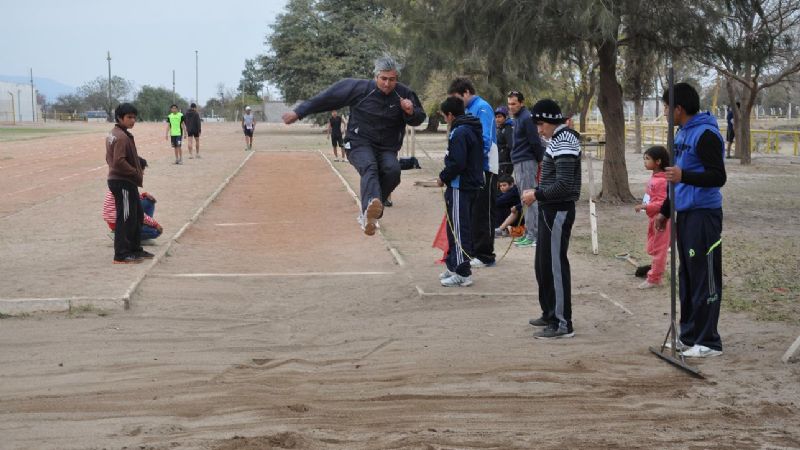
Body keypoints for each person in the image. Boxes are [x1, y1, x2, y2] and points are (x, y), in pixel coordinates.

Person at [281, 55, 426, 236]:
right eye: (383, 79)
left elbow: (419, 118)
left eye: (392, 80)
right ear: (376, 76)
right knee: (369, 167)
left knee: (393, 171)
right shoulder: (359, 88)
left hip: (387, 147)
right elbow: (327, 98)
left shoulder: (404, 94)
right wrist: (299, 112)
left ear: (397, 78)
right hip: (358, 142)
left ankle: (373, 208)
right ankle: (368, 212)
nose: (387, 84)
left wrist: (411, 111)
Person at [655, 82, 727, 358]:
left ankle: (709, 341)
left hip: (703, 215)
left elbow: (717, 177)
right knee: (686, 276)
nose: (664, 112)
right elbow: (676, 179)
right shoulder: (681, 133)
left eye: (665, 107)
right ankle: (688, 334)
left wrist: (685, 177)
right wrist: (665, 210)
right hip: (684, 213)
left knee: (703, 277)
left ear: (679, 108)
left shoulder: (706, 134)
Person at [522, 99, 581, 340]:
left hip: (558, 210)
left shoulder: (566, 140)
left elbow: (565, 184)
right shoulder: (556, 140)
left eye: (541, 124)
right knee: (543, 264)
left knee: (555, 266)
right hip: (548, 209)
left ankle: (562, 323)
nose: (539, 130)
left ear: (550, 121)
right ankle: (549, 312)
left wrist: (537, 193)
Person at [448, 78, 497, 268]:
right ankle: (473, 251)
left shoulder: (483, 108)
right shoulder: (469, 109)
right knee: (472, 211)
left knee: (483, 211)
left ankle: (486, 255)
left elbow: (484, 140)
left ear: (467, 92)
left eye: (458, 98)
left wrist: (471, 162)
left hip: (484, 167)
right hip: (472, 169)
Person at [436, 96, 484, 287]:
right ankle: (453, 265)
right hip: (467, 185)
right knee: (453, 226)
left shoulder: (460, 132)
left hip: (460, 186)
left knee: (459, 229)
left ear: (450, 115)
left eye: (444, 116)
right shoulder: (470, 128)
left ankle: (463, 272)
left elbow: (458, 162)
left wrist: (443, 176)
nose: (445, 119)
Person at [106, 103, 154, 264]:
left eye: (134, 117)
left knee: (136, 216)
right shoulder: (120, 137)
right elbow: (118, 161)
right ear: (120, 118)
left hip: (126, 181)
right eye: (129, 117)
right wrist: (135, 172)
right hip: (122, 182)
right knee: (125, 218)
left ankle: (134, 249)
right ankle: (121, 254)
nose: (133, 120)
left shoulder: (118, 133)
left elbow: (110, 158)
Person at [507, 90, 545, 248]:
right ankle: (529, 232)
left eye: (514, 103)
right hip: (519, 161)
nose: (511, 107)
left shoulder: (526, 118)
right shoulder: (516, 118)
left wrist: (540, 159)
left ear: (521, 103)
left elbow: (535, 141)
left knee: (529, 197)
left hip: (527, 161)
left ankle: (534, 235)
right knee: (524, 198)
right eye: (509, 104)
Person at [634, 145, 670, 289]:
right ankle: (656, 272)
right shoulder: (655, 177)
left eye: (647, 159)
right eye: (644, 158)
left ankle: (654, 278)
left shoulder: (662, 181)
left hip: (662, 220)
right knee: (653, 248)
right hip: (653, 219)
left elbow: (663, 202)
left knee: (659, 250)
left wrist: (645, 207)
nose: (645, 161)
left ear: (658, 161)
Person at [103, 157, 164, 241]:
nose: (143, 173)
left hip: (119, 218)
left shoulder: (124, 179)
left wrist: (143, 195)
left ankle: (139, 228)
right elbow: (138, 212)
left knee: (148, 201)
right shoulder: (126, 186)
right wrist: (155, 224)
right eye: (142, 170)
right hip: (118, 223)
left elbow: (133, 200)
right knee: (155, 231)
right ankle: (121, 235)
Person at [495, 106, 514, 176]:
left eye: (499, 117)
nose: (497, 119)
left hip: (506, 163)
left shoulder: (508, 128)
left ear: (505, 117)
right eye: (496, 117)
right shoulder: (500, 128)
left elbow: (511, 145)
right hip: (501, 162)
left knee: (504, 184)